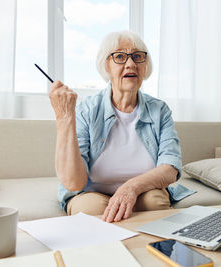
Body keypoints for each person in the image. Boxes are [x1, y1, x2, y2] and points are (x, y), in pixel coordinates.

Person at [49, 30, 182, 223]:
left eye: (137, 57)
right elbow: (73, 182)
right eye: (119, 56)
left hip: (143, 190)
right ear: (106, 66)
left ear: (145, 66)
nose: (130, 64)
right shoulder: (87, 110)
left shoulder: (159, 110)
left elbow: (170, 168)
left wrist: (131, 187)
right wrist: (65, 118)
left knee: (155, 203)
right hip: (92, 191)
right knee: (91, 211)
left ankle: (156, 253)